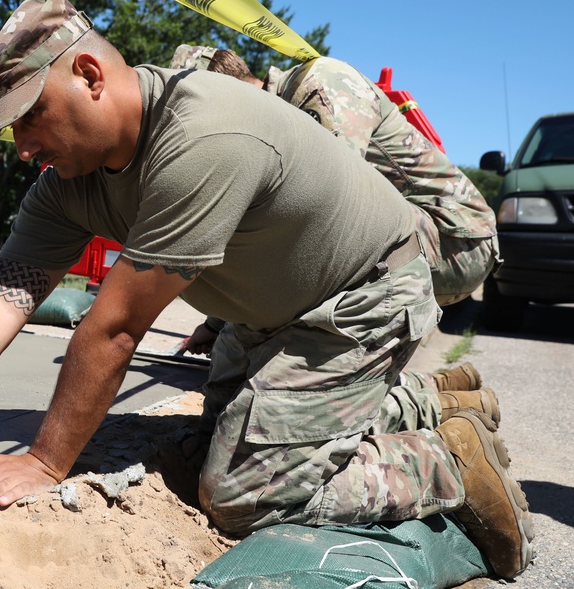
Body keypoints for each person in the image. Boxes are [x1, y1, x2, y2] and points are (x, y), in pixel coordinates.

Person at [0, 0, 532, 579]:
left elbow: (115, 327)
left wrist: (44, 458)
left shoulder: (201, 134)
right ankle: (419, 398)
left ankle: (452, 461)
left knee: (243, 488)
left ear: (90, 76)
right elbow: (3, 293)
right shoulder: (67, 184)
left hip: (361, 294)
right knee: (213, 436)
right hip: (269, 310)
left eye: (31, 116)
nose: (23, 146)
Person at [170, 46, 504, 433]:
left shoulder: (319, 84)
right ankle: (437, 394)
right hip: (407, 236)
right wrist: (216, 325)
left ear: (220, 89)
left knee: (267, 395)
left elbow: (326, 209)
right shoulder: (272, 118)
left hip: (453, 238)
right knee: (242, 384)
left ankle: (424, 411)